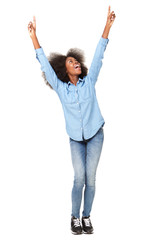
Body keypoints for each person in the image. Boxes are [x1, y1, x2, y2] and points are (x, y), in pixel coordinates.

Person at [28, 5, 116, 235]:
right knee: (79, 178)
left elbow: (98, 55)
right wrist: (34, 37)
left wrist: (107, 25)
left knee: (92, 179)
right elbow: (44, 65)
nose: (75, 62)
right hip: (76, 139)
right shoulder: (61, 88)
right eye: (70, 62)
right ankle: (74, 218)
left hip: (96, 135)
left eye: (76, 61)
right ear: (64, 70)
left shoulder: (89, 82)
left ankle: (87, 217)